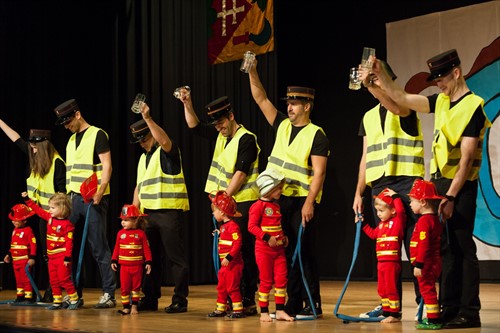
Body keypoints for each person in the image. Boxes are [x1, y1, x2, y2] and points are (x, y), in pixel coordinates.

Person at [372, 49, 490, 329]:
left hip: (458, 186)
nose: (439, 84)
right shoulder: (442, 102)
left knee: (462, 247)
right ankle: (448, 307)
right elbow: (402, 99)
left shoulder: (474, 105)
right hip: (439, 184)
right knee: (444, 249)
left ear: (457, 73)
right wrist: (379, 78)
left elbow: (465, 159)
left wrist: (450, 196)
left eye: (442, 79)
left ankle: (469, 311)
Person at [248, 60, 330, 319]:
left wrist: (309, 202)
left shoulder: (317, 134)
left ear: (307, 106)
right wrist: (252, 71)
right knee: (284, 252)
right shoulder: (282, 125)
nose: (289, 107)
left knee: (303, 252)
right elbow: (261, 99)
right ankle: (290, 305)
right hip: (279, 201)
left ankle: (312, 303)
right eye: (288, 103)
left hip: (301, 202)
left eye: (294, 104)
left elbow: (320, 172)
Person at [178, 90, 260, 315]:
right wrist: (187, 103)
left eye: (221, 123)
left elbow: (241, 173)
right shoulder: (221, 136)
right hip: (223, 206)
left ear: (231, 116)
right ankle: (231, 301)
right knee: (226, 253)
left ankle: (247, 299)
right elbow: (194, 126)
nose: (217, 128)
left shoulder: (246, 138)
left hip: (241, 203)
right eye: (215, 125)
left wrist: (223, 202)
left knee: (241, 253)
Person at [353, 62, 425, 320]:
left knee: (415, 247)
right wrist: (358, 193)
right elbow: (365, 156)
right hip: (380, 186)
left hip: (406, 183)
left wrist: (372, 84)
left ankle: (423, 303)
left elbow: (394, 104)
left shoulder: (404, 106)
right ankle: (389, 307)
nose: (375, 83)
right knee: (386, 250)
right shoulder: (368, 116)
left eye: (378, 79)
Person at [53, 98, 116, 308]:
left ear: (77, 114)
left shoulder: (97, 134)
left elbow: (107, 165)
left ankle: (109, 293)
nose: (67, 126)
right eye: (64, 123)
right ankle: (73, 295)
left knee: (98, 247)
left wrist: (101, 190)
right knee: (66, 247)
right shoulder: (70, 141)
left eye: (68, 121)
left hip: (92, 199)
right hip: (72, 200)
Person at [130, 102, 190, 314]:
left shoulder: (167, 152)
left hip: (168, 212)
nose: (142, 143)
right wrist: (134, 212)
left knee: (176, 259)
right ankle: (150, 298)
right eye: (138, 140)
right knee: (150, 259)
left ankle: (180, 300)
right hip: (147, 216)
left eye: (144, 138)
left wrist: (148, 118)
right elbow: (139, 186)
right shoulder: (142, 159)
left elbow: (164, 140)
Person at [0, 121, 66, 302]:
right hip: (37, 214)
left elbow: (62, 194)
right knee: (45, 255)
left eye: (35, 146)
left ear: (44, 146)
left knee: (54, 255)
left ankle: (57, 291)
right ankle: (48, 290)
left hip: (53, 217)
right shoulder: (33, 157)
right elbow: (16, 139)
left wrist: (56, 216)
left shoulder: (57, 164)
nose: (32, 149)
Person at [248, 168, 295, 322]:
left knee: (281, 280)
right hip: (264, 251)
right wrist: (267, 237)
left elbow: (277, 225)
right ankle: (264, 312)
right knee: (266, 280)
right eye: (278, 188)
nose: (281, 190)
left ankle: (280, 310)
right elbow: (252, 226)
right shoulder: (257, 206)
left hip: (279, 251)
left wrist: (284, 238)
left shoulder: (276, 206)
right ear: (268, 188)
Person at [22, 192, 80, 310]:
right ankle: (57, 301)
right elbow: (37, 210)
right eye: (50, 207)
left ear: (62, 208)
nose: (50, 210)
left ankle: (74, 299)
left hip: (62, 257)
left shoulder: (68, 225)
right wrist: (27, 200)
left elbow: (69, 243)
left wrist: (67, 258)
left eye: (53, 207)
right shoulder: (49, 218)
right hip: (51, 257)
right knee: (53, 280)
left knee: (64, 279)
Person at [357, 188, 406, 323]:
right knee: (382, 289)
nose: (378, 214)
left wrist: (395, 197)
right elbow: (373, 234)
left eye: (381, 211)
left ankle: (394, 314)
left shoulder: (397, 222)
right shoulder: (381, 225)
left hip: (391, 263)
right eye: (377, 211)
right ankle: (386, 311)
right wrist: (362, 224)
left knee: (391, 288)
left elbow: (401, 211)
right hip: (381, 263)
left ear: (393, 210)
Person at [407, 179, 444, 330]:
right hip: (434, 262)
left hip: (426, 263)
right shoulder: (434, 220)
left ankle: (433, 320)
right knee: (429, 289)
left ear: (422, 202)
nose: (410, 204)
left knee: (427, 290)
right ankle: (432, 317)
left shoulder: (424, 222)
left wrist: (419, 264)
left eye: (412, 201)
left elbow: (423, 245)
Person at [207, 190, 245, 319]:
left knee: (232, 287)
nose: (213, 213)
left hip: (233, 264)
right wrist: (218, 233)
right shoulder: (224, 227)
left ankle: (238, 310)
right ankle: (220, 309)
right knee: (221, 287)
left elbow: (237, 243)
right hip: (226, 266)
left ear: (222, 212)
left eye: (215, 210)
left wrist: (229, 257)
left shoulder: (233, 226)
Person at [111, 204, 152, 315]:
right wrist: (113, 260)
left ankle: (134, 307)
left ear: (135, 221)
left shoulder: (141, 234)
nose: (122, 222)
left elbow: (146, 249)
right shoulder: (120, 233)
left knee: (136, 288)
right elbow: (116, 248)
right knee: (124, 288)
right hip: (124, 267)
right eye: (122, 220)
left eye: (126, 220)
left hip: (137, 266)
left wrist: (148, 262)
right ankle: (126, 307)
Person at [3, 203, 37, 304]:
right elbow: (13, 244)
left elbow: (33, 245)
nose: (13, 222)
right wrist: (8, 255)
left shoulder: (28, 231)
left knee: (26, 279)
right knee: (19, 280)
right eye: (13, 220)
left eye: (16, 220)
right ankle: (20, 296)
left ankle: (29, 297)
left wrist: (32, 258)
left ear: (24, 220)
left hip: (24, 260)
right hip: (15, 261)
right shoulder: (14, 230)